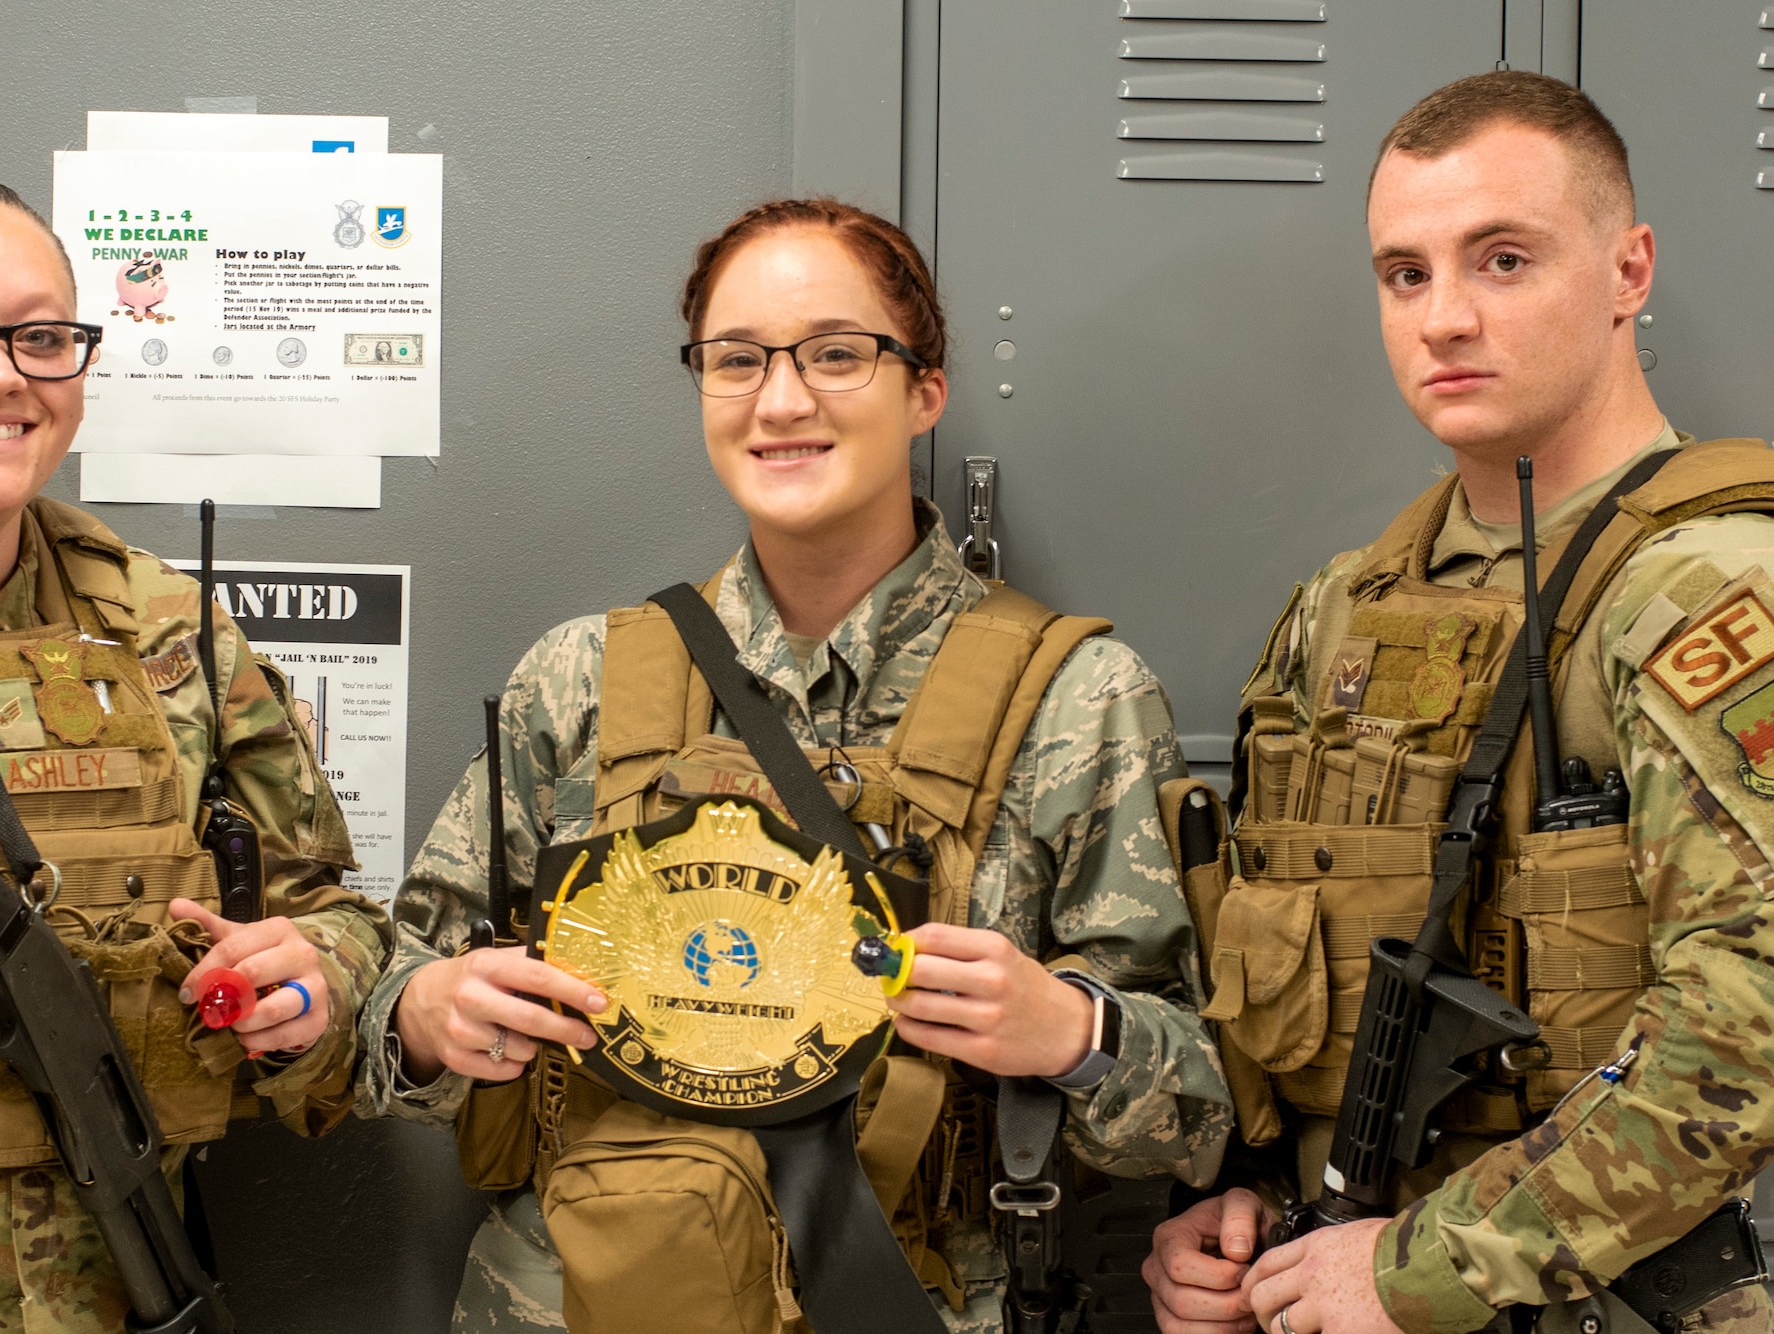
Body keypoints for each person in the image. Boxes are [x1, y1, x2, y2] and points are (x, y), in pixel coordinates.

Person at [357, 197, 1233, 1331]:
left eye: (835, 353)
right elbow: (385, 1010)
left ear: (925, 389)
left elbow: (1205, 1101)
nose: (780, 399)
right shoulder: (578, 680)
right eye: (736, 360)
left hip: (907, 1297)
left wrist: (1070, 1032)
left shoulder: (1072, 698)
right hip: (569, 1300)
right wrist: (430, 1011)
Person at [1143, 72, 1774, 1334]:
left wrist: (1415, 1268)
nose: (1443, 318)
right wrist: (1248, 1198)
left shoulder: (1706, 592)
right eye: (1404, 273)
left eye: (1500, 258)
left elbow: (1744, 1030)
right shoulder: (1341, 608)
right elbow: (1289, 955)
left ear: (1626, 270)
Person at [0, 175, 390, 1330]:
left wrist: (303, 982)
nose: (0, 374)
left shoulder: (170, 631)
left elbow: (332, 911)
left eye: (42, 337)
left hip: (121, 1286)